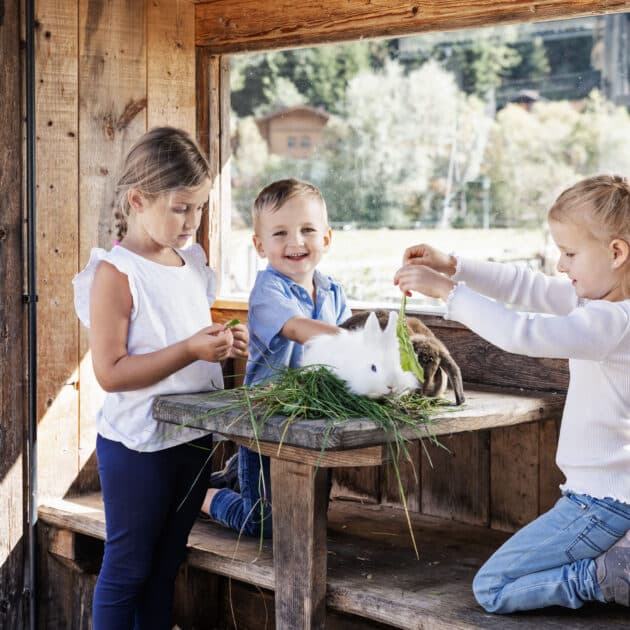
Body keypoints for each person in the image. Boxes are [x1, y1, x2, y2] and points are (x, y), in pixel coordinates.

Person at [393, 174, 630, 613]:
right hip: (603, 498)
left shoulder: (613, 323)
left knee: (493, 588)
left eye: (570, 253)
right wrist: (454, 265)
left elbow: (521, 332)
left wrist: (448, 292)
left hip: (600, 504)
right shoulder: (599, 303)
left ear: (616, 253)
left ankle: (605, 578)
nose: (561, 265)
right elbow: (527, 287)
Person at [72, 126, 249, 630]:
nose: (192, 221)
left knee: (167, 566)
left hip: (192, 440)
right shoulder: (116, 273)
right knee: (127, 569)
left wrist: (222, 344)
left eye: (199, 208)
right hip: (137, 448)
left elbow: (192, 341)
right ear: (137, 199)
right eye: (180, 208)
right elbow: (111, 373)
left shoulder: (190, 262)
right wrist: (191, 348)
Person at [200, 177, 352, 537]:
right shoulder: (267, 290)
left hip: (310, 420)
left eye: (307, 230)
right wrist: (359, 343)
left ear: (326, 238)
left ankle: (235, 476)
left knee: (307, 513)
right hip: (267, 419)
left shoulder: (333, 292)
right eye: (280, 233)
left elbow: (344, 355)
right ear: (260, 244)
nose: (296, 242)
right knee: (263, 521)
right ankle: (201, 496)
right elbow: (299, 329)